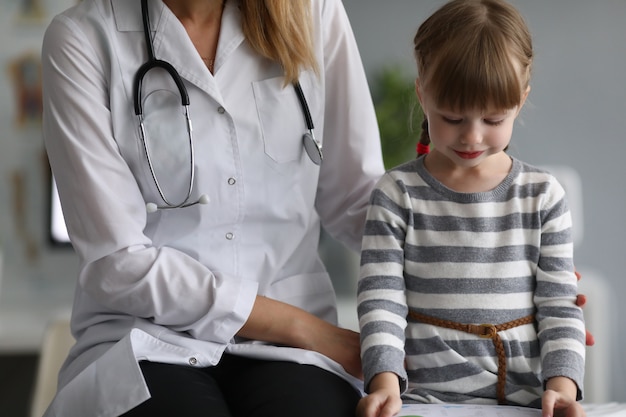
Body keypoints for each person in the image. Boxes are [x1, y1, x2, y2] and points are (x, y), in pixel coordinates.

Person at [41, 0, 385, 416]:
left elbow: (357, 203)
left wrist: (460, 257)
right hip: (147, 338)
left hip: (291, 351)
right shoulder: (83, 37)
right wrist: (308, 329)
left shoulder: (312, 11)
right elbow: (117, 260)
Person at [356, 1, 586, 417]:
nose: (472, 136)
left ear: (521, 100)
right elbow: (381, 299)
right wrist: (385, 382)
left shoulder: (542, 195)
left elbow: (558, 304)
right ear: (422, 94)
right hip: (423, 398)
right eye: (452, 117)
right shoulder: (397, 193)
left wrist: (563, 387)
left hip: (528, 399)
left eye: (494, 119)